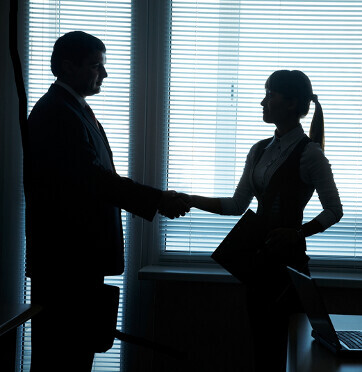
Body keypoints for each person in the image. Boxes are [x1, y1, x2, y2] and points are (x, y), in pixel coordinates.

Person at [24, 31, 189, 372]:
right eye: (97, 66)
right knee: (63, 357)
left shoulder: (71, 109)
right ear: (68, 67)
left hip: (74, 261)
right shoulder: (57, 113)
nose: (105, 74)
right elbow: (94, 180)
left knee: (74, 353)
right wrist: (159, 200)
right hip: (67, 263)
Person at [186, 70, 343, 371]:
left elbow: (334, 210)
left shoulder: (311, 155)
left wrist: (297, 233)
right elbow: (236, 205)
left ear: (291, 102)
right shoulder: (258, 150)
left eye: (270, 94)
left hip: (289, 269)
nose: (262, 101)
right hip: (258, 266)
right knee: (262, 348)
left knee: (285, 352)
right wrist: (191, 199)